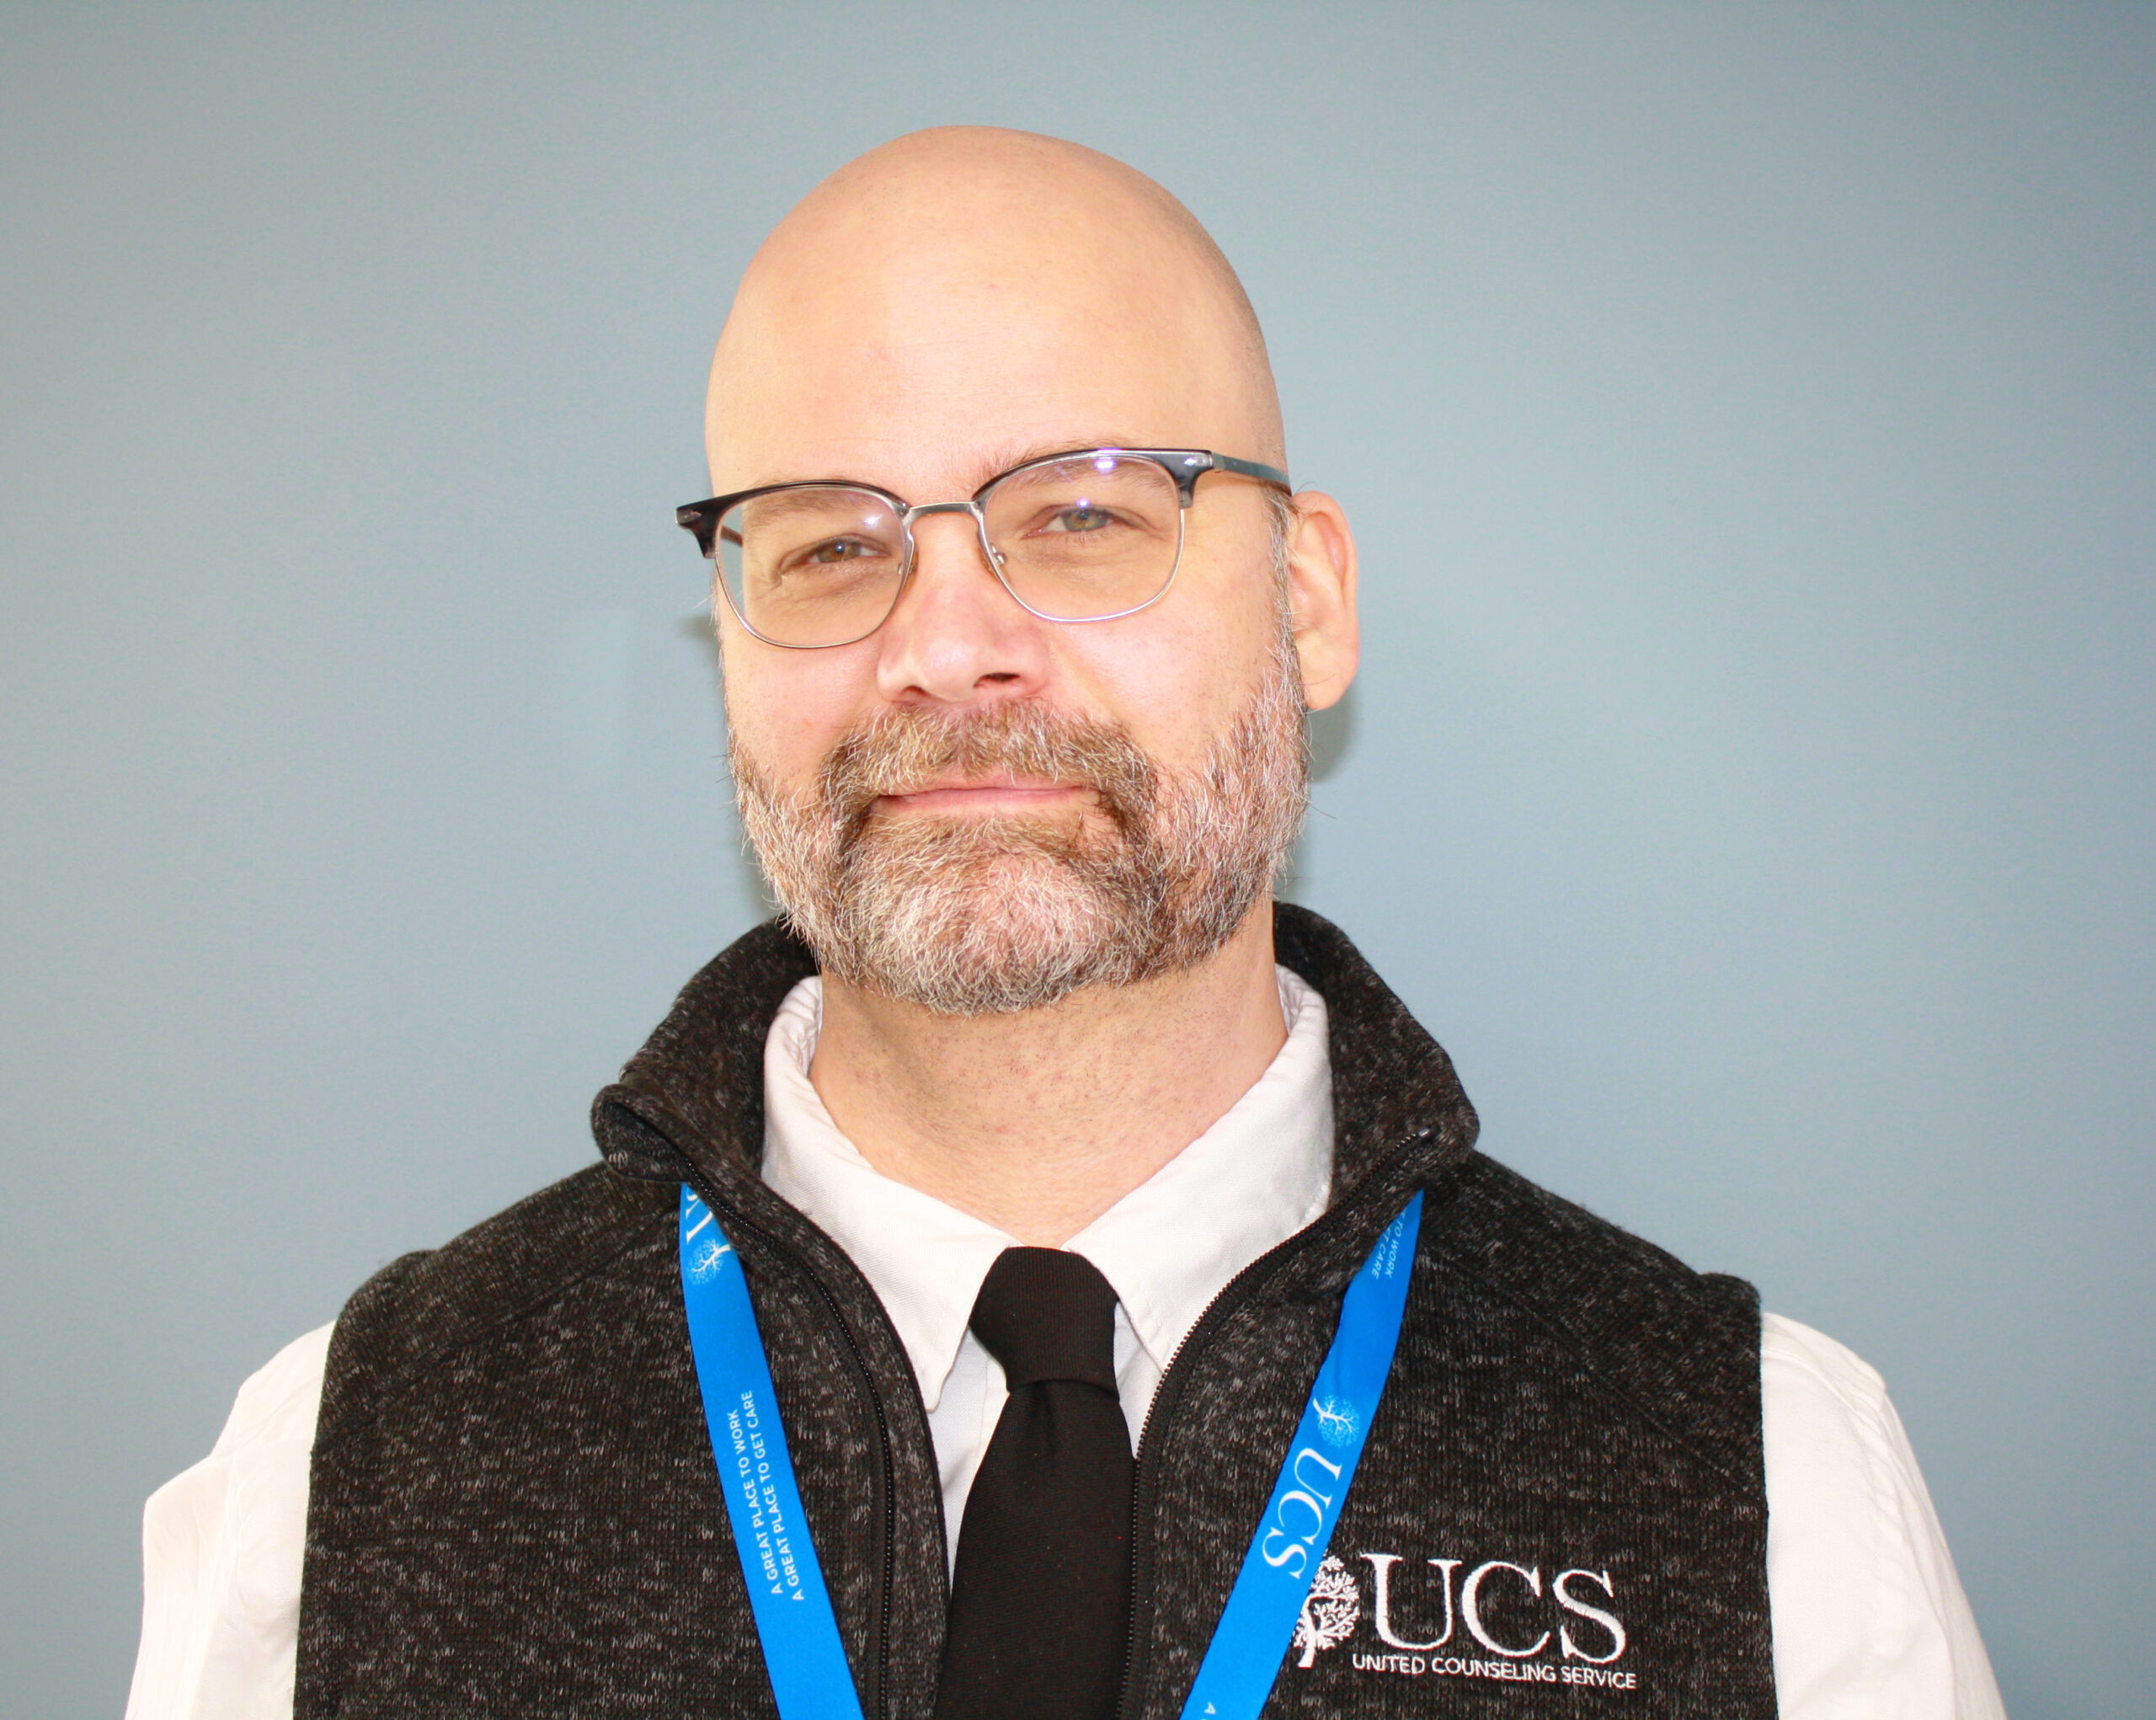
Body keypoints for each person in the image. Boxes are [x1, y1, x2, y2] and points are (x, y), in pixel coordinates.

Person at [126, 127, 2005, 1720]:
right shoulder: (334, 1479)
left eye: (1088, 514)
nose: (945, 644)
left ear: (1310, 601)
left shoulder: (1763, 1475)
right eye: (831, 542)